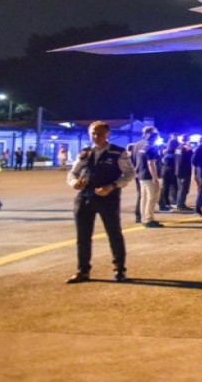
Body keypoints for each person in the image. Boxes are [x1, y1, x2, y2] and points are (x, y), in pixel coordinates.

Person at [66, 121, 134, 283]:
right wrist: (74, 183)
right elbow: (73, 173)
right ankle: (83, 271)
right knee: (83, 236)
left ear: (107, 134)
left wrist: (112, 186)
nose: (96, 137)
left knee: (114, 234)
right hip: (84, 197)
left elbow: (129, 174)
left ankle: (119, 270)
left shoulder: (118, 152)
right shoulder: (84, 153)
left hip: (108, 198)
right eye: (93, 134)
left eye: (100, 134)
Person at [130, 126, 163, 228]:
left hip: (140, 175)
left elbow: (132, 159)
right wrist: (155, 178)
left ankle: (143, 218)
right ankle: (149, 219)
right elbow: (151, 164)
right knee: (152, 197)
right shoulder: (151, 146)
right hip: (149, 176)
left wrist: (136, 171)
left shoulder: (137, 144)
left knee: (143, 197)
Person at [174, 135, 194, 211]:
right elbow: (192, 157)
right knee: (183, 189)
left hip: (178, 170)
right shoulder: (186, 148)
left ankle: (180, 204)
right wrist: (190, 149)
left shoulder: (178, 147)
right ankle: (181, 205)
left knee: (180, 188)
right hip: (185, 171)